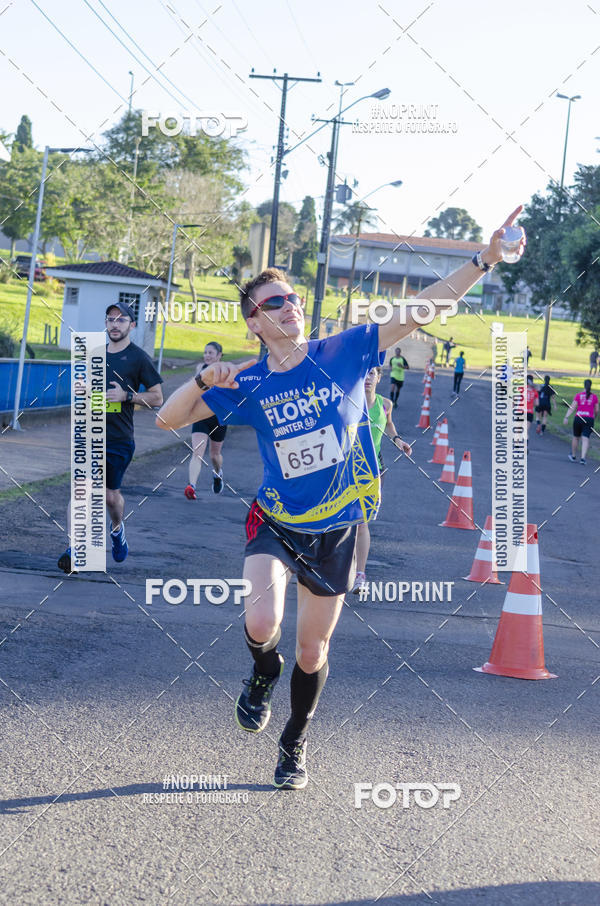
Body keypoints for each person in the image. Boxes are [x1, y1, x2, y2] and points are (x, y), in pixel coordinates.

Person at [156, 206, 525, 791]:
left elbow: (418, 310)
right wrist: (205, 378)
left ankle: (295, 741)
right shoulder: (248, 380)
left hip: (337, 527)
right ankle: (260, 674)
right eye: (275, 302)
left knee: (312, 650)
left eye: (294, 297)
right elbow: (167, 420)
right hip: (276, 521)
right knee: (261, 621)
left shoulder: (344, 351)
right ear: (254, 322)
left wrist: (482, 261)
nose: (291, 306)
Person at [58, 302, 163, 573]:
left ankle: (116, 530)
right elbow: (83, 391)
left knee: (109, 497)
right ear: (105, 323)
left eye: (121, 320)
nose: (115, 324)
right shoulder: (93, 354)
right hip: (89, 436)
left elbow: (158, 397)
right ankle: (75, 549)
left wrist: (127, 396)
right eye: (110, 319)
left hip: (119, 439)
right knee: (80, 490)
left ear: (132, 325)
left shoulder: (138, 358)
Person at [353, 366, 411, 593]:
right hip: (346, 469)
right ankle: (335, 566)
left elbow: (388, 424)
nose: (367, 378)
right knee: (338, 521)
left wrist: (398, 441)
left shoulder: (386, 404)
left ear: (379, 377)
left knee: (361, 522)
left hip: (373, 471)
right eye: (364, 373)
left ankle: (360, 575)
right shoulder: (349, 400)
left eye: (372, 374)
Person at [184, 342, 227, 498]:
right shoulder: (200, 368)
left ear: (219, 355)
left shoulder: (225, 371)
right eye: (205, 352)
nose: (207, 355)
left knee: (215, 455)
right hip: (201, 416)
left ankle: (217, 473)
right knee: (197, 452)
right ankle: (192, 486)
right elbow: (193, 386)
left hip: (219, 418)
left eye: (211, 353)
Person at [564, 379, 598, 465]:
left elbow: (572, 407)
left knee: (576, 437)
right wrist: (594, 416)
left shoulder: (578, 395)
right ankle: (583, 458)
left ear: (584, 385)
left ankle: (574, 455)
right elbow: (597, 409)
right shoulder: (594, 397)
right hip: (589, 419)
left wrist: (566, 417)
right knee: (585, 438)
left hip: (579, 418)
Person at [525, 374, 538, 446]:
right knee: (526, 431)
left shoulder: (521, 388)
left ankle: (517, 448)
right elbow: (537, 404)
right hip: (529, 412)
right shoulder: (534, 391)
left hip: (520, 411)